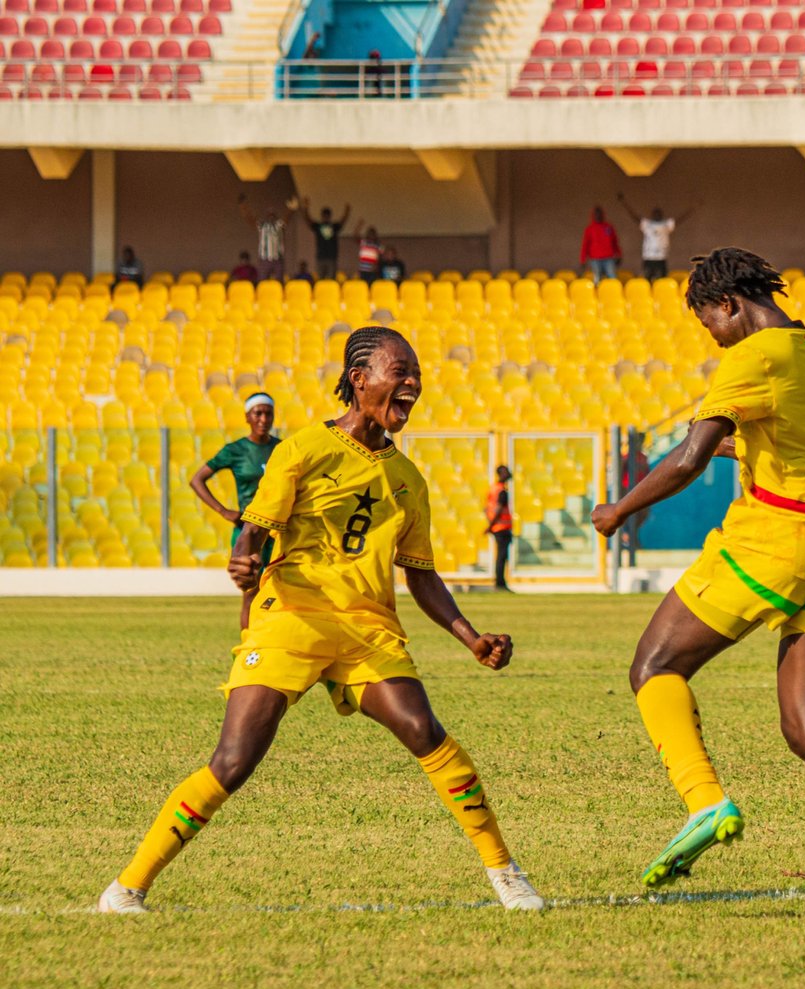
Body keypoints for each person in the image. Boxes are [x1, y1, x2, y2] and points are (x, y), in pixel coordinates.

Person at [98, 326, 545, 915]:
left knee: (424, 730)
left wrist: (470, 638)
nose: (412, 383)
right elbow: (256, 528)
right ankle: (127, 887)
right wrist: (243, 559)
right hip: (293, 616)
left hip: (366, 628)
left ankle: (506, 873)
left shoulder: (409, 480)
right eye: (400, 372)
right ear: (359, 379)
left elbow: (420, 573)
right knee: (234, 760)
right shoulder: (303, 448)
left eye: (416, 374)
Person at [590, 248, 805, 911]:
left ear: (729, 304)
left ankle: (704, 801)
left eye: (709, 323)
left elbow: (688, 458)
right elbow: (792, 440)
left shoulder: (753, 355)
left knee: (654, 665)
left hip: (777, 538)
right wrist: (737, 445)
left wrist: (620, 509)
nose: (713, 338)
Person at [190, 392, 280, 630]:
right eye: (257, 413)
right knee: (251, 592)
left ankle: (273, 644)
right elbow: (197, 479)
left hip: (279, 530)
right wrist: (223, 511)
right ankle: (247, 647)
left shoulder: (283, 449)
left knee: (280, 592)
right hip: (248, 530)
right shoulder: (236, 450)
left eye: (268, 413)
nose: (263, 419)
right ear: (247, 417)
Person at [618, 196, 695, 281]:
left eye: (659, 213)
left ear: (662, 214)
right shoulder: (646, 224)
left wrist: (693, 208)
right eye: (655, 213)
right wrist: (623, 202)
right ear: (652, 214)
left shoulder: (666, 225)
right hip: (648, 257)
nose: (657, 215)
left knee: (662, 280)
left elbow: (681, 218)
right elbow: (634, 216)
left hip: (661, 257)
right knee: (647, 280)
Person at [238, 195, 287, 281]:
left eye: (273, 214)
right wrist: (243, 206)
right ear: (266, 216)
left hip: (278, 259)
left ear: (275, 216)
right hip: (264, 259)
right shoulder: (262, 225)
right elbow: (249, 219)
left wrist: (291, 208)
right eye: (269, 214)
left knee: (279, 283)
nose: (271, 216)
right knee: (262, 281)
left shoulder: (279, 225)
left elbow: (287, 218)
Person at [303, 200, 350, 280]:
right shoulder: (318, 226)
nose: (325, 217)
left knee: (331, 280)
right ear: (322, 216)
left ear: (330, 216)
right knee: (320, 281)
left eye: (327, 216)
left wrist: (347, 212)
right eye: (324, 216)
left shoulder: (334, 227)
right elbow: (309, 221)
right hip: (320, 257)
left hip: (331, 258)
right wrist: (306, 208)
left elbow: (342, 222)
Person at [485, 465, 514, 590]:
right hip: (502, 528)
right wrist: (490, 526)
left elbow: (486, 508)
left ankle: (500, 582)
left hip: (497, 527)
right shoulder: (501, 490)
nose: (508, 473)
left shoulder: (494, 489)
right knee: (502, 557)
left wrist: (490, 525)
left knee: (501, 556)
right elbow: (498, 510)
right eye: (505, 472)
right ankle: (500, 583)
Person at [580, 206, 621, 285]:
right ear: (593, 215)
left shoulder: (608, 227)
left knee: (612, 277)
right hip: (595, 259)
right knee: (597, 279)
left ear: (603, 215)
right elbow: (585, 245)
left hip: (608, 258)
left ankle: (613, 292)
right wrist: (582, 259)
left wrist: (618, 254)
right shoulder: (590, 229)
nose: (598, 216)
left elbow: (615, 242)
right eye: (596, 214)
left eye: (600, 214)